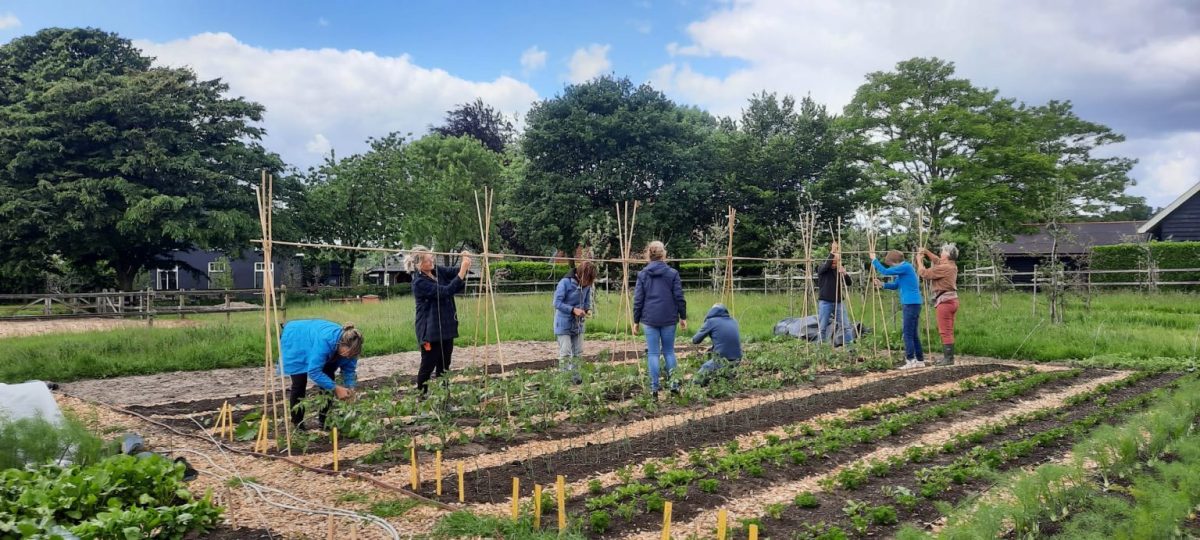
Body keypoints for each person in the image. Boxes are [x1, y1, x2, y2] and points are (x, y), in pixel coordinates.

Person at [408, 246, 472, 396]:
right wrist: (463, 270)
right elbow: (445, 292)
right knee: (427, 366)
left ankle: (444, 399)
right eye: (427, 259)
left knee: (444, 366)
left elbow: (455, 272)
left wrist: (466, 260)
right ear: (419, 265)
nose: (431, 260)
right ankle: (422, 399)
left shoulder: (437, 271)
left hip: (446, 326)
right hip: (430, 331)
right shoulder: (419, 283)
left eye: (431, 257)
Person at [280, 319, 363, 428]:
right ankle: (297, 424)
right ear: (340, 343)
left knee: (328, 378)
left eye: (352, 354)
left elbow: (349, 371)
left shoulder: (352, 350)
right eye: (347, 352)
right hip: (297, 339)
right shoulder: (325, 341)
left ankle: (324, 421)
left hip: (316, 340)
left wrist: (350, 388)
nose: (349, 356)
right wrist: (336, 388)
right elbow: (314, 371)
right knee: (299, 382)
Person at [632, 241, 687, 398]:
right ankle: (674, 386)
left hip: (649, 319)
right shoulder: (672, 273)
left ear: (648, 254)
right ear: (664, 254)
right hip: (669, 318)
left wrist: (636, 321)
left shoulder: (643, 274)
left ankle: (654, 389)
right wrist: (682, 316)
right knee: (669, 352)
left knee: (653, 353)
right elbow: (679, 297)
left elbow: (638, 300)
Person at [871, 249, 925, 369]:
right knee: (913, 334)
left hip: (910, 304)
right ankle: (920, 360)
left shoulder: (905, 267)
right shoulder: (905, 270)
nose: (891, 266)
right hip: (914, 303)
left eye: (891, 264)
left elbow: (885, 271)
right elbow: (896, 285)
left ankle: (910, 360)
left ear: (894, 262)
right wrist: (882, 285)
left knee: (907, 334)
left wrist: (874, 260)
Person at [553, 261, 597, 384]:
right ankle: (565, 380)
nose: (588, 283)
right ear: (581, 275)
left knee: (578, 352)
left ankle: (576, 379)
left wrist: (587, 310)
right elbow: (557, 303)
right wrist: (573, 310)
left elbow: (587, 302)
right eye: (587, 280)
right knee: (566, 352)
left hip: (578, 324)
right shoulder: (565, 283)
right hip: (563, 323)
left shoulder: (587, 286)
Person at [917, 244, 959, 366]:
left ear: (947, 255)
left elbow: (924, 274)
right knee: (949, 330)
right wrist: (926, 252)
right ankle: (949, 357)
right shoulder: (951, 265)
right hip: (952, 300)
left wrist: (919, 261)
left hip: (944, 302)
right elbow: (937, 260)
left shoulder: (944, 268)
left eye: (943, 251)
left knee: (945, 331)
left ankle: (948, 359)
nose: (941, 252)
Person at [691, 303, 743, 387]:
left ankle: (695, 386)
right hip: (737, 358)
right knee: (711, 353)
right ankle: (726, 377)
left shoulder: (711, 322)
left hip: (722, 358)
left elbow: (695, 340)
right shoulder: (733, 321)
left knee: (697, 379)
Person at [816, 241, 854, 347]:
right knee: (822, 327)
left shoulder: (838, 270)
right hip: (825, 302)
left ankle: (850, 349)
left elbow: (849, 283)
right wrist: (832, 252)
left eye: (836, 262)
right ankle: (820, 349)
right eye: (833, 261)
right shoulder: (822, 268)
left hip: (838, 302)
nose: (834, 264)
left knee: (846, 326)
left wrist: (845, 274)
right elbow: (826, 265)